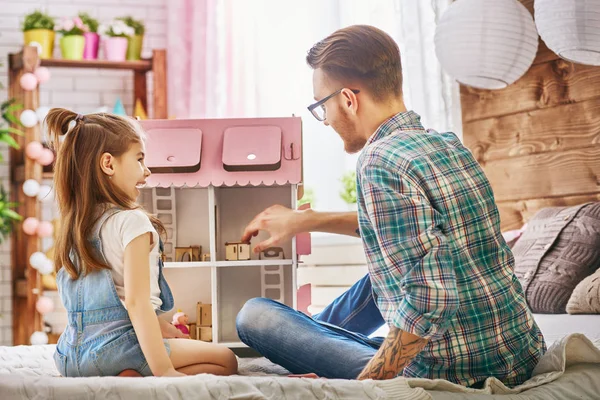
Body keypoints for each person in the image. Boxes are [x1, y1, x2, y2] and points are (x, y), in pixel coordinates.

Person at [236, 25, 545, 387]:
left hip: (453, 372)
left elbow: (431, 297)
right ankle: (320, 335)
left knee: (255, 317)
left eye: (323, 106)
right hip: (518, 351)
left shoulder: (379, 160)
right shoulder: (445, 144)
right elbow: (405, 231)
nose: (327, 120)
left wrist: (371, 384)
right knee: (382, 272)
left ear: (349, 100)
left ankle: (321, 340)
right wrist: (305, 221)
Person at [47, 108, 237, 378]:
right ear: (108, 164)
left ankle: (130, 373)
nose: (146, 171)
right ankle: (139, 372)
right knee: (226, 360)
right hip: (116, 350)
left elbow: (113, 304)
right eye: (139, 159)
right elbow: (136, 303)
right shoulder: (132, 222)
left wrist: (162, 329)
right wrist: (165, 371)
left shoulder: (74, 227)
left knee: (177, 345)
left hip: (69, 357)